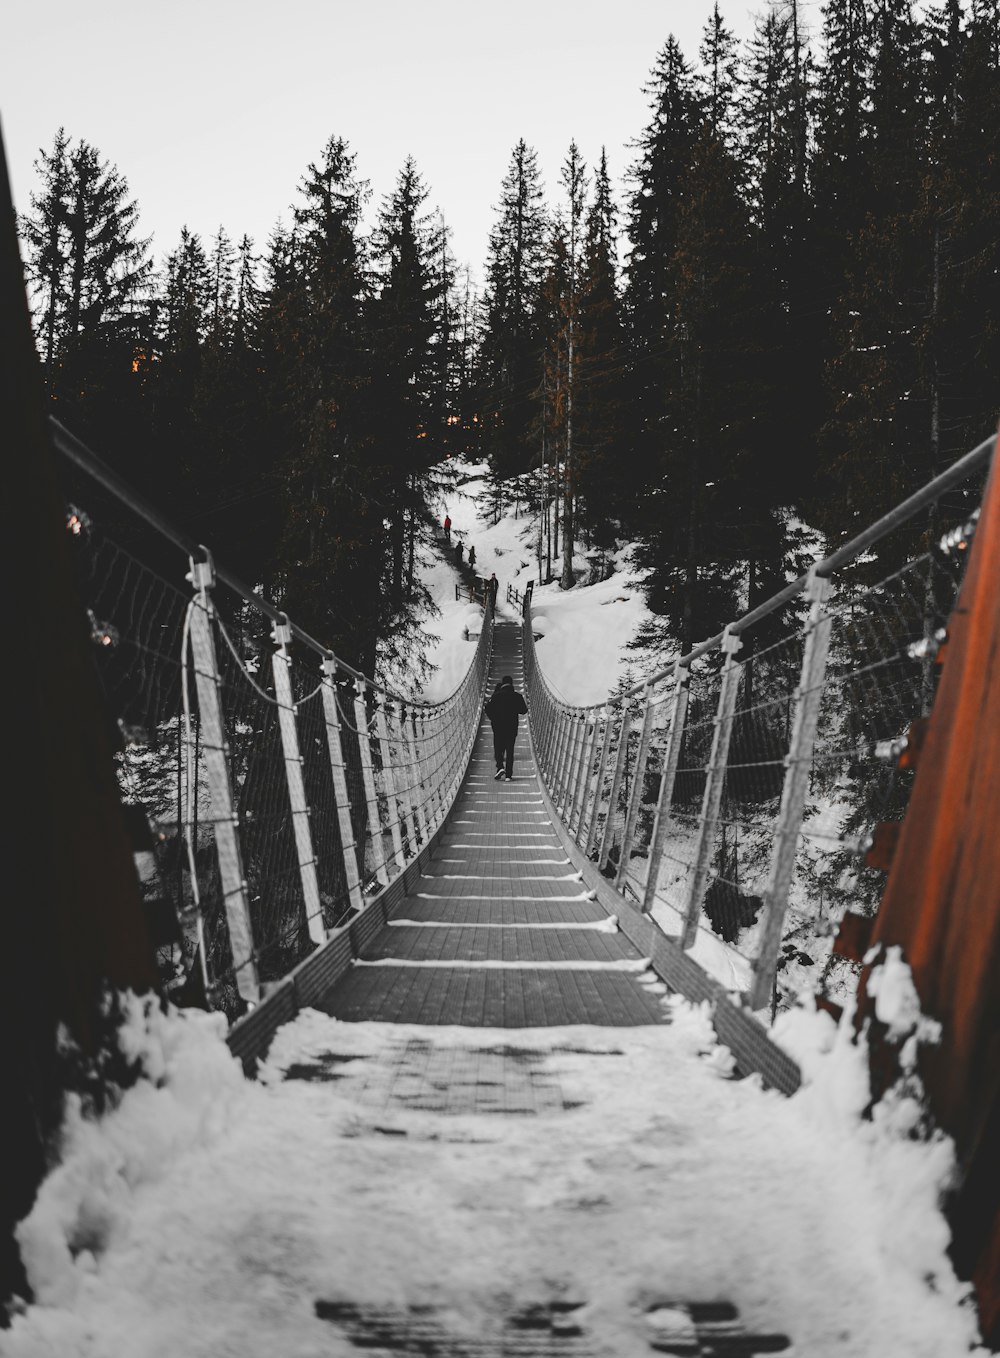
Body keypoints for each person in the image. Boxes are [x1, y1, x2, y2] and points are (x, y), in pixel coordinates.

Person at [485, 675, 527, 781]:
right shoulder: (517, 696)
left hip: (498, 727)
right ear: (512, 684)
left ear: (502, 684)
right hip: (511, 728)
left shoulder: (495, 696)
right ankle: (508, 775)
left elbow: (487, 709)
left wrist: (494, 718)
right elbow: (523, 710)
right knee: (510, 750)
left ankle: (500, 767)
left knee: (498, 748)